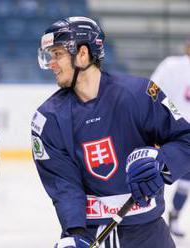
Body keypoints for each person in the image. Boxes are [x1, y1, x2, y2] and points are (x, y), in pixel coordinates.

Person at [31, 16, 190, 248]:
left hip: (149, 232)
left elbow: (185, 139)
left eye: (57, 54)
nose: (51, 63)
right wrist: (73, 234)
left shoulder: (140, 94)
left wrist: (161, 163)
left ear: (83, 54)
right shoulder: (48, 119)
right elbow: (65, 187)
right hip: (91, 234)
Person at [151, 37, 190, 238]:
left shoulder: (170, 64)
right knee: (153, 172)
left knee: (185, 182)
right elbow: (152, 90)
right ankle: (149, 216)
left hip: (182, 135)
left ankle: (173, 215)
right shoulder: (172, 65)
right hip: (167, 130)